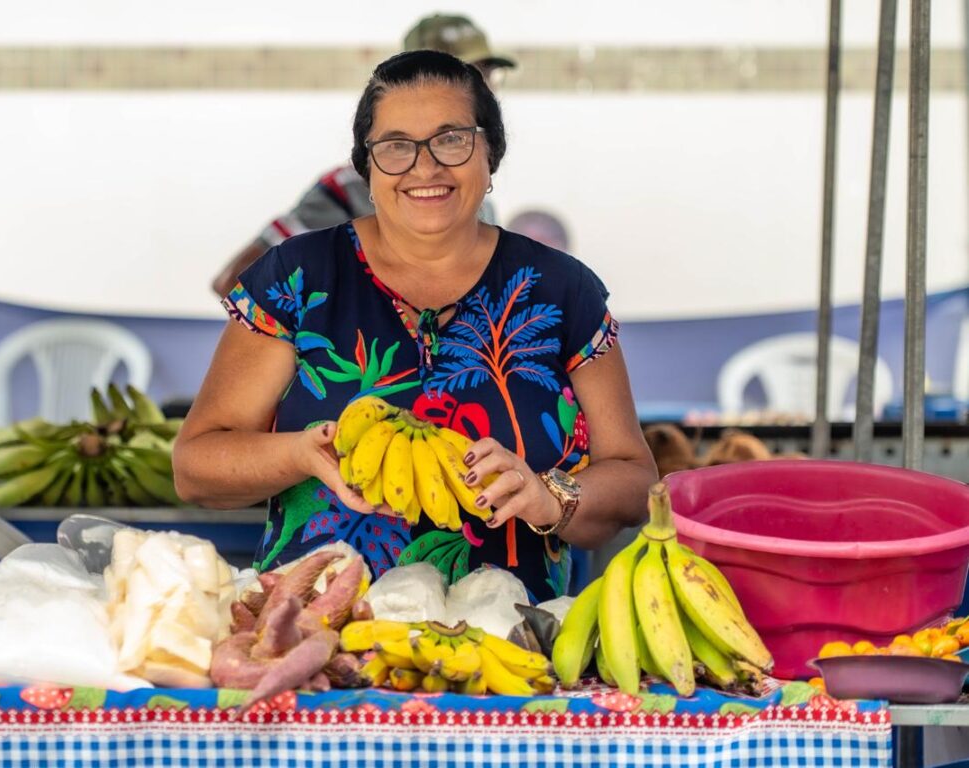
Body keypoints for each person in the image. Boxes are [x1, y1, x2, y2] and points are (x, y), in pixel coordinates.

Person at [174, 49, 657, 602]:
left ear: (490, 155)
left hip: (510, 649)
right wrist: (299, 453)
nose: (425, 168)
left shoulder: (562, 289)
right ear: (367, 167)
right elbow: (196, 467)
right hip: (314, 643)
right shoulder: (297, 276)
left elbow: (633, 478)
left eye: (452, 139)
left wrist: (554, 496)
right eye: (396, 146)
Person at [209, 14, 516, 298]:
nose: (481, 91)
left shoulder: (480, 205)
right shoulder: (347, 190)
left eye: (484, 77)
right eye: (461, 78)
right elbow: (235, 283)